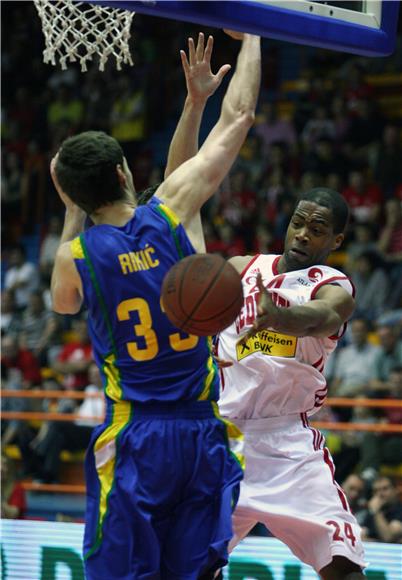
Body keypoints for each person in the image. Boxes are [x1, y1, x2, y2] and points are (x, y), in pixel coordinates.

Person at [49, 31, 261, 580]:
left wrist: (72, 210)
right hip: (202, 430)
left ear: (73, 193)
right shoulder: (171, 216)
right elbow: (237, 119)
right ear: (124, 173)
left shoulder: (75, 259)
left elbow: (61, 304)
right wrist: (255, 36)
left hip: (136, 435)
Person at [216, 188, 366, 578]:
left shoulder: (333, 285)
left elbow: (324, 315)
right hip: (220, 440)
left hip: (287, 446)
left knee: (343, 567)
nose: (302, 234)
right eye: (298, 223)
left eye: (317, 229)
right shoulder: (241, 268)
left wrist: (280, 317)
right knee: (187, 566)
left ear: (336, 241)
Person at [360, 476, 402, 543]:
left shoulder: (399, 510)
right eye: (376, 491)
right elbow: (361, 537)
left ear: (395, 490)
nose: (380, 494)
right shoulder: (371, 512)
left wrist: (377, 512)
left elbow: (388, 537)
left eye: (385, 489)